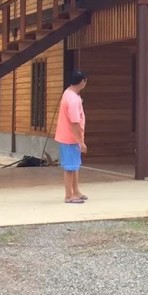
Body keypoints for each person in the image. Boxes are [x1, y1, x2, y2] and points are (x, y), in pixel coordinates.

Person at [54, 70, 88, 204]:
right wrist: (81, 142)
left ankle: (76, 191)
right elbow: (74, 123)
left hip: (70, 137)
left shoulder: (69, 93)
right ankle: (69, 195)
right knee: (70, 167)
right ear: (82, 82)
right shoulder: (73, 99)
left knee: (75, 166)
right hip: (70, 138)